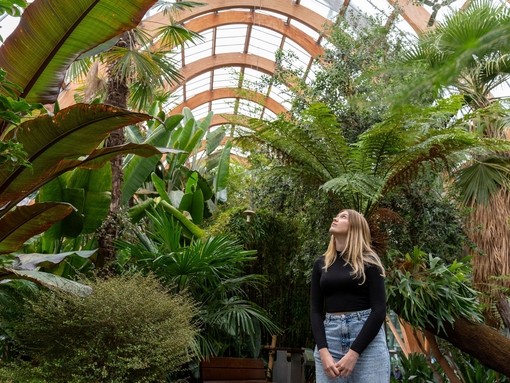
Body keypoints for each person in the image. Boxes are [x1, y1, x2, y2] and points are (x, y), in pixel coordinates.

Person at [310, 209, 390, 382]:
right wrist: (323, 351)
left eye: (343, 217)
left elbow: (379, 311)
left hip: (367, 343)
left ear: (356, 227)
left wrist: (354, 353)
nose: (335, 218)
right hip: (330, 340)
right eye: (336, 215)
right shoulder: (321, 264)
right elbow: (315, 311)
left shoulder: (369, 261)